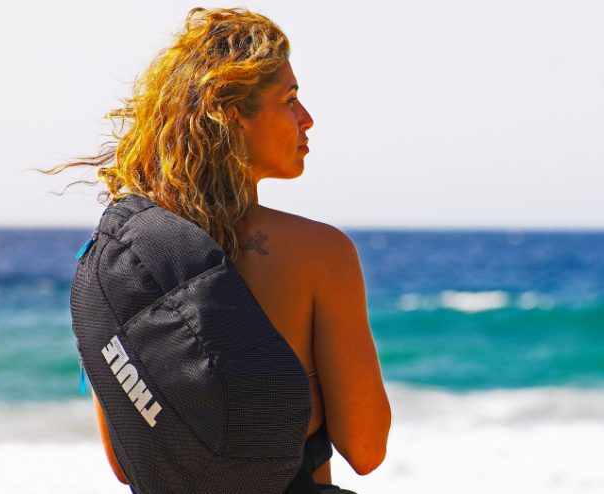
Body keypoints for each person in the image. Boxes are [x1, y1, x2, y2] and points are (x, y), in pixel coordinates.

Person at [43, 7, 391, 491]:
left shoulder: (119, 257)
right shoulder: (320, 253)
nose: (307, 118)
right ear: (232, 115)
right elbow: (366, 448)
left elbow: (126, 462)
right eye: (290, 99)